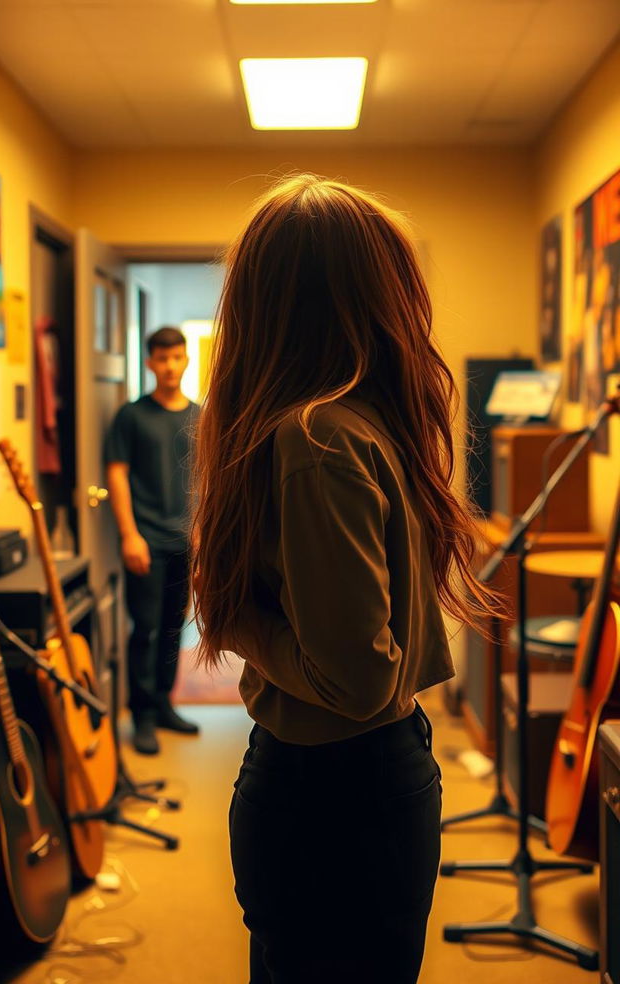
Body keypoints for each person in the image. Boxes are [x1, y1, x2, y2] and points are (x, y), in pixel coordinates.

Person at [192, 175, 502, 983]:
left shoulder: (319, 438)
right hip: (351, 787)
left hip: (333, 793)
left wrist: (233, 622)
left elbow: (357, 680)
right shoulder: (347, 425)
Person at [106, 325, 201, 755]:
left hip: (186, 541)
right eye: (161, 359)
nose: (169, 366)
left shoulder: (199, 416)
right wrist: (129, 534)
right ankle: (141, 715)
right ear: (150, 363)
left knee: (170, 628)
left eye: (176, 357)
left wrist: (203, 533)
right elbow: (117, 474)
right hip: (145, 541)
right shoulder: (132, 415)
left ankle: (164, 703)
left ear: (185, 360)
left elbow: (207, 479)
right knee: (143, 629)